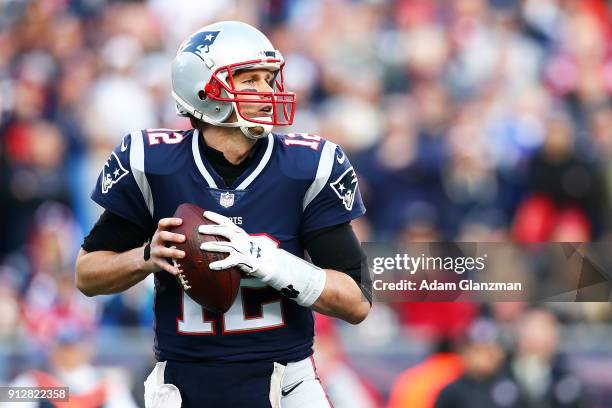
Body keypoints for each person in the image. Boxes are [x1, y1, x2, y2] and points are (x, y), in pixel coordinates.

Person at [75, 20, 371, 408]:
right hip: (183, 386)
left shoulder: (308, 166)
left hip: (285, 383)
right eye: (249, 81)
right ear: (204, 90)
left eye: (269, 79)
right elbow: (87, 274)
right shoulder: (153, 163)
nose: (267, 92)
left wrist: (265, 261)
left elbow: (357, 302)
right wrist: (147, 257)